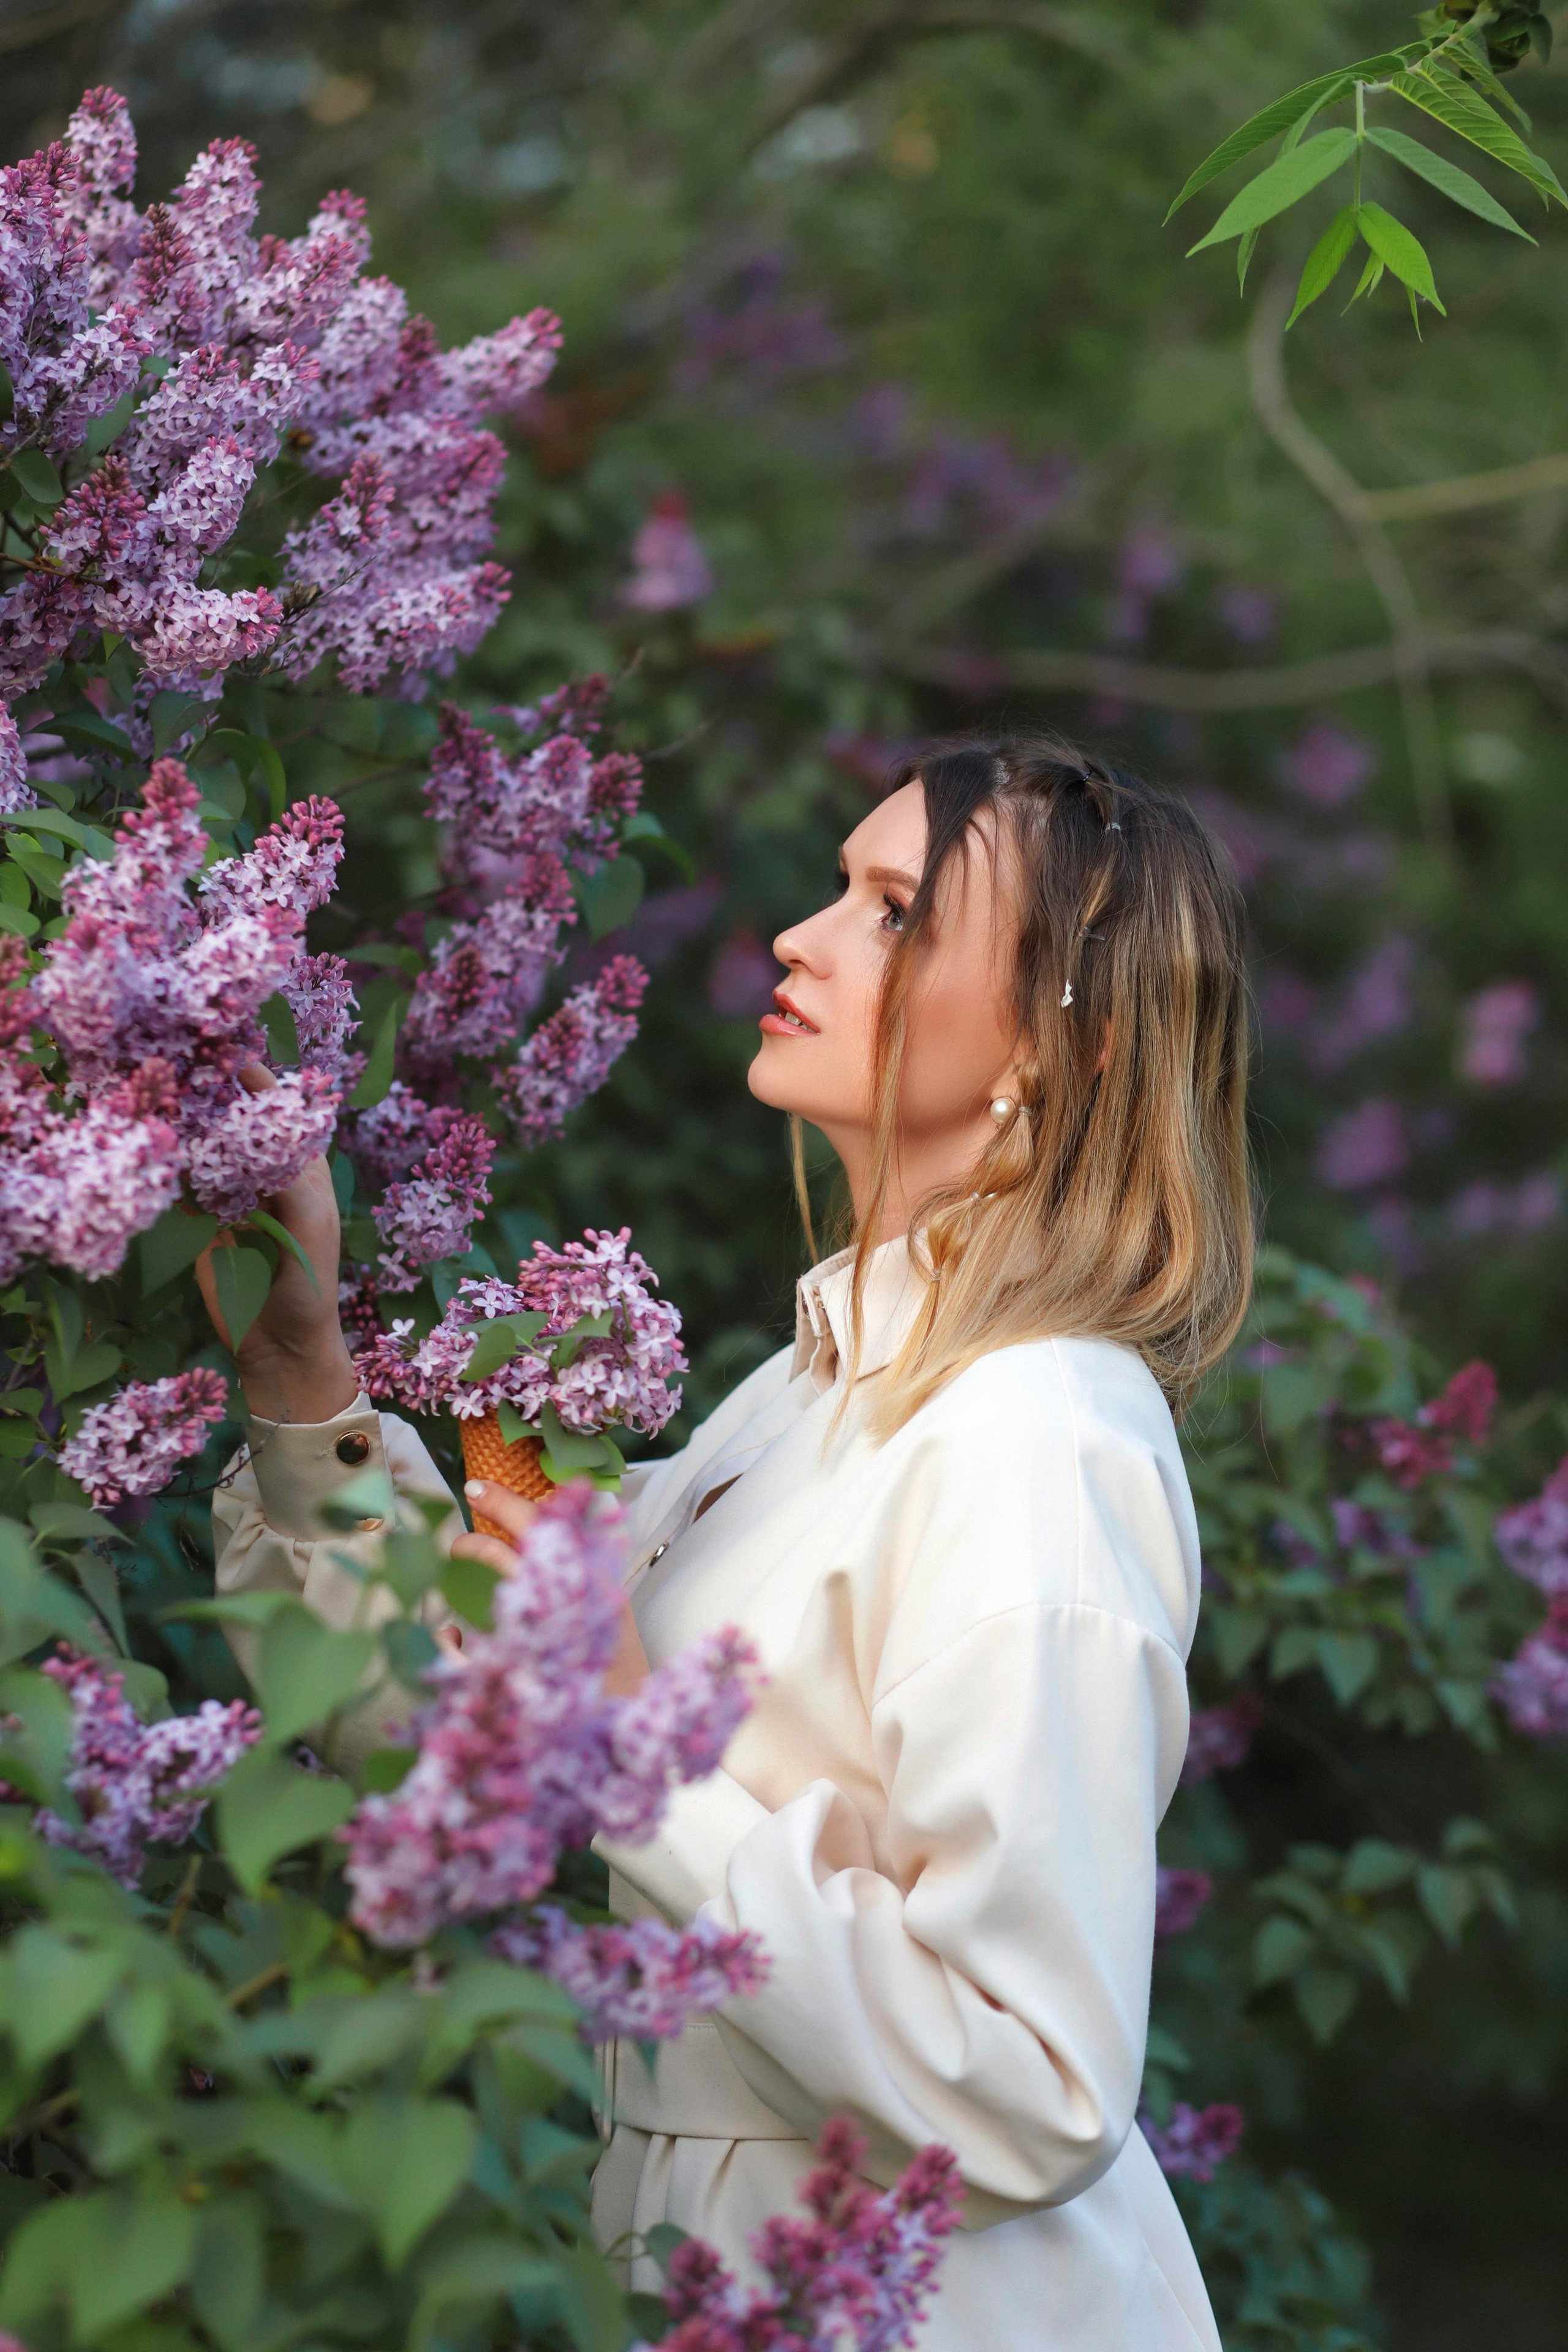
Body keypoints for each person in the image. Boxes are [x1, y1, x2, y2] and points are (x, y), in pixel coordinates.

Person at [206, 734, 1253, 2351]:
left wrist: (631, 1737)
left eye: (893, 913)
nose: (799, 938)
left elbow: (1040, 2086)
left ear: (1065, 1044)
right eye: (840, 887)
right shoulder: (809, 1395)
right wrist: (302, 1377)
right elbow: (429, 1703)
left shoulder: (1043, 1439)